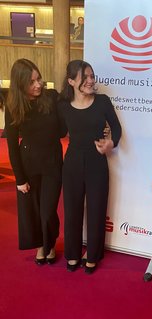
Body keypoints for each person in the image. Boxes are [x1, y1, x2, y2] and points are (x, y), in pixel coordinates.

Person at [58, 60, 122, 274]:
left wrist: (110, 143)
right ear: (71, 81)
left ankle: (93, 255)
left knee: (96, 209)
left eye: (92, 76)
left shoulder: (102, 101)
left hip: (97, 161)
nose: (90, 81)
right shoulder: (63, 105)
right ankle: (73, 255)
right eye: (84, 77)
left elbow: (116, 128)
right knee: (72, 210)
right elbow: (57, 130)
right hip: (73, 161)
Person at [5, 59, 63, 265]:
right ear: (20, 85)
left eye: (38, 79)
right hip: (28, 164)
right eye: (31, 82)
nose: (38, 84)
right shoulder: (13, 106)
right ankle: (42, 245)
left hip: (53, 163)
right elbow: (12, 144)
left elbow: (64, 129)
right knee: (33, 212)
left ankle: (50, 242)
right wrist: (19, 178)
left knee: (47, 211)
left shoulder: (52, 97)